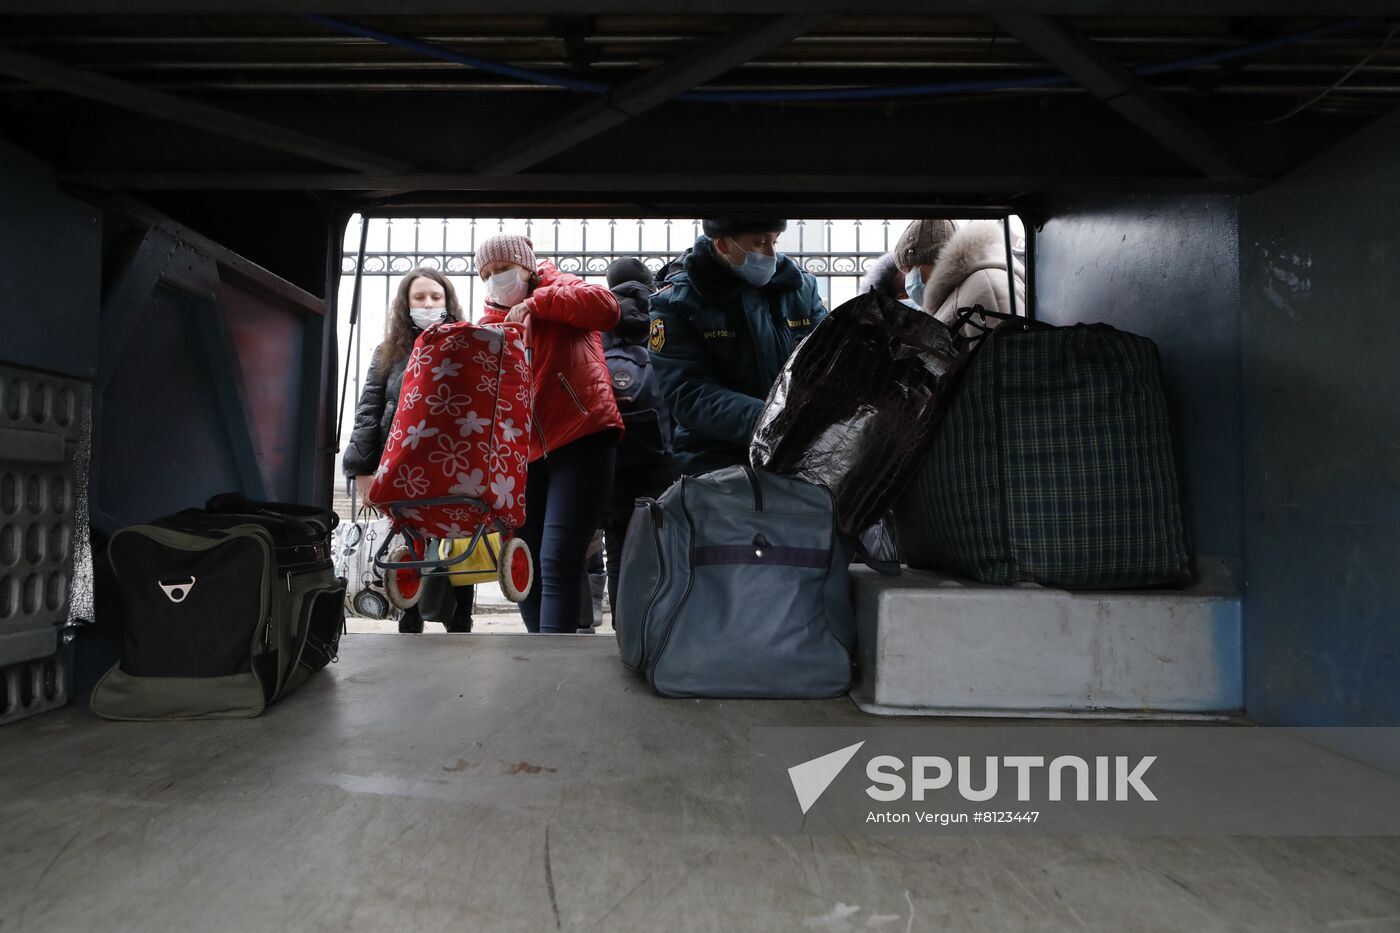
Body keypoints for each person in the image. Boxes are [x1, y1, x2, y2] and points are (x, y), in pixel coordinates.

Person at [474, 234, 623, 635]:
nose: (495, 280)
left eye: (503, 269)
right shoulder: (488, 326)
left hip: (581, 435)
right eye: (487, 274)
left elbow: (607, 309)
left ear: (527, 267)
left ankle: (553, 664)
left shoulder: (563, 288)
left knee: (559, 557)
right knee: (525, 560)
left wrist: (537, 304)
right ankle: (539, 660)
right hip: (523, 454)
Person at [343, 266, 475, 634]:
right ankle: (409, 617)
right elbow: (368, 411)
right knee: (409, 542)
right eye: (420, 297)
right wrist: (361, 470)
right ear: (406, 304)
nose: (429, 303)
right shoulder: (387, 353)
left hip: (454, 460)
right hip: (401, 463)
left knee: (457, 540)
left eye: (436, 296)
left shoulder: (468, 344)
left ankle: (460, 620)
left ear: (448, 301)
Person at [648, 219, 826, 476]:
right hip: (716, 461)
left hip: (796, 453)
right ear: (723, 244)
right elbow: (689, 392)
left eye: (774, 241)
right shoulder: (677, 302)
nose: (771, 255)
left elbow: (827, 360)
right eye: (759, 243)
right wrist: (772, 421)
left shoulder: (800, 288)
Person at [596, 257, 679, 615]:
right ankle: (660, 624)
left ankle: (623, 625)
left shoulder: (598, 318)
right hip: (659, 454)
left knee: (617, 545)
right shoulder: (662, 311)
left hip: (612, 453)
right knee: (663, 542)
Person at [913, 219, 1027, 326]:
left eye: (909, 268)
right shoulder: (965, 290)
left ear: (933, 258)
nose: (909, 277)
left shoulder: (987, 290)